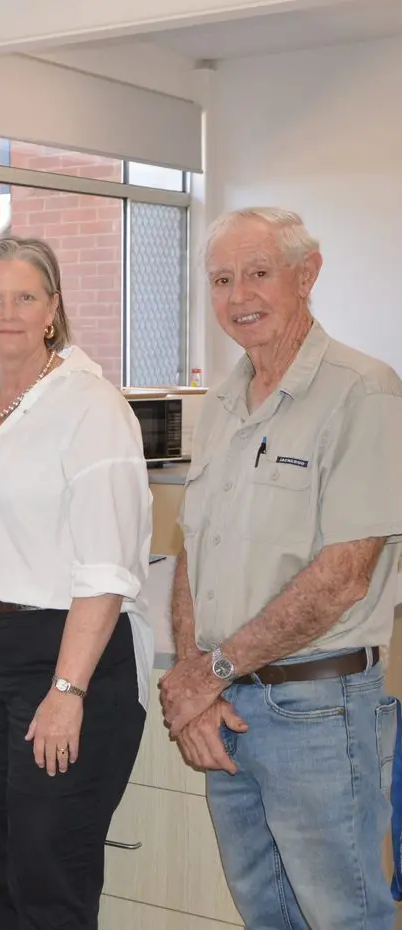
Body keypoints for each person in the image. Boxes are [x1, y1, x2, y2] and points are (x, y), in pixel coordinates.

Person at [0, 236, 154, 929]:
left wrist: (66, 693)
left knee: (50, 874)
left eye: (24, 297)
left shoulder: (92, 409)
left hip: (59, 657)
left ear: (52, 311)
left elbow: (106, 568)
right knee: (1, 862)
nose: (5, 312)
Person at [159, 207, 402, 929]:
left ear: (307, 274)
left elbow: (344, 576)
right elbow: (189, 554)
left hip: (316, 712)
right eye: (222, 280)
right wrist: (190, 677)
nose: (239, 297)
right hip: (229, 703)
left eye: (258, 274)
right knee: (265, 914)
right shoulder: (224, 403)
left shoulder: (363, 393)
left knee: (342, 918)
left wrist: (209, 673)